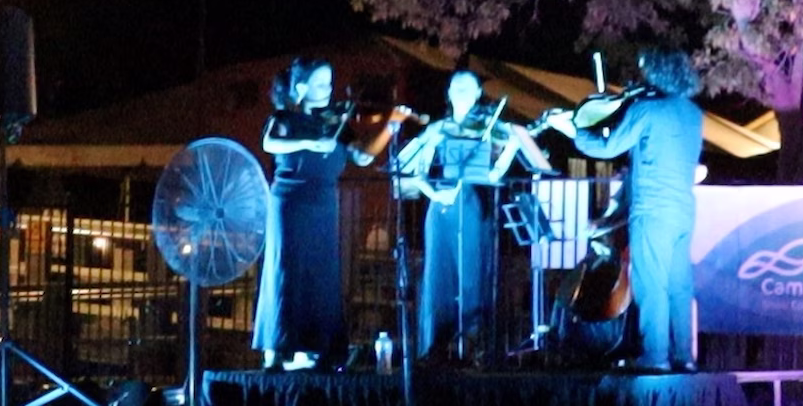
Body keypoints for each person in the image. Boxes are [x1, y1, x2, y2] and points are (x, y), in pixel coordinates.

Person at [545, 47, 703, 372]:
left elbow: (608, 147)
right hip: (683, 210)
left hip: (652, 210)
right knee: (679, 286)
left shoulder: (647, 110)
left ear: (658, 73)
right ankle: (685, 357)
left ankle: (656, 357)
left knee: (651, 284)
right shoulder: (693, 113)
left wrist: (574, 130)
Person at [394, 70, 552, 364]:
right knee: (438, 274)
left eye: (468, 87)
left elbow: (494, 174)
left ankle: (474, 342)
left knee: (473, 274)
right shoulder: (439, 129)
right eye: (456, 87)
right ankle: (436, 345)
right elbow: (418, 172)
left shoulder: (489, 128)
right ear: (448, 93)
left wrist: (510, 149)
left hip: (474, 205)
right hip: (441, 208)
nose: (461, 91)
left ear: (479, 93)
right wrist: (434, 194)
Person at [252, 58, 375, 371]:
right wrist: (309, 141)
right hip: (290, 200)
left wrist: (387, 130)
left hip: (324, 202)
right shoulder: (285, 117)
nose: (328, 90)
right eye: (320, 84)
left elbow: (361, 156)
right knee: (286, 268)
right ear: (301, 87)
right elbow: (269, 143)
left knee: (320, 272)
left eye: (329, 84)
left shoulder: (336, 123)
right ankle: (275, 349)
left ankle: (314, 348)